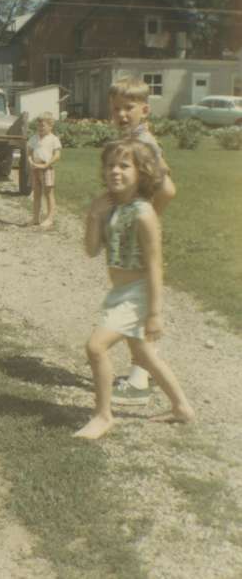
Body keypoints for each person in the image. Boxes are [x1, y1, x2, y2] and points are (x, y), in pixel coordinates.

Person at [74, 139, 194, 439]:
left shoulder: (144, 213)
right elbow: (90, 250)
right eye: (110, 165)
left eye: (124, 166)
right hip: (119, 293)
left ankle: (103, 416)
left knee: (96, 347)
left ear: (141, 173)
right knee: (142, 354)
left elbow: (155, 266)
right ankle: (182, 407)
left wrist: (155, 313)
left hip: (138, 293)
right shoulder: (112, 207)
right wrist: (93, 214)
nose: (115, 171)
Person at [108, 76, 176, 405]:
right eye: (117, 108)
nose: (122, 114)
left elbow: (167, 189)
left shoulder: (144, 142)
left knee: (135, 305)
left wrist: (147, 219)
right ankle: (140, 374)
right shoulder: (136, 139)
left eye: (129, 108)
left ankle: (140, 380)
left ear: (145, 110)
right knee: (132, 302)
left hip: (139, 236)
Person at [27, 113, 61, 228]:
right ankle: (35, 218)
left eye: (43, 126)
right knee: (36, 193)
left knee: (48, 193)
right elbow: (29, 152)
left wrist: (46, 164)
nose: (40, 128)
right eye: (39, 126)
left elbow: (57, 155)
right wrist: (31, 162)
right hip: (35, 167)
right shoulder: (34, 137)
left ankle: (49, 218)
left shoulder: (53, 139)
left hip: (47, 168)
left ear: (50, 126)